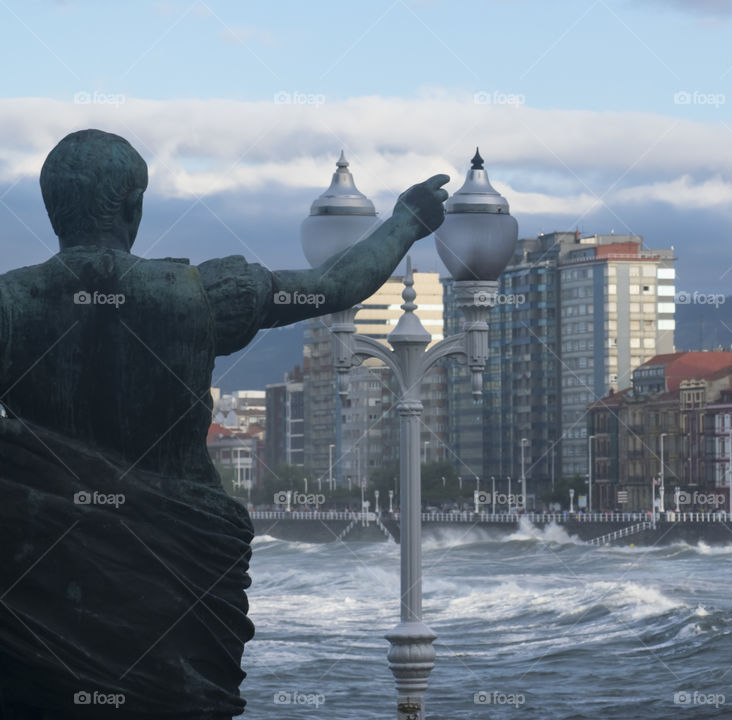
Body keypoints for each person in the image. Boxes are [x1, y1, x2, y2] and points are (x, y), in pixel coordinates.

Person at [0, 129, 447, 719]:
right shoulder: (200, 293)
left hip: (41, 582)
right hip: (180, 569)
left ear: (53, 210)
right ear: (133, 207)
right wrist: (405, 223)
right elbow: (334, 286)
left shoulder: (10, 305)